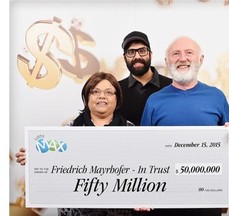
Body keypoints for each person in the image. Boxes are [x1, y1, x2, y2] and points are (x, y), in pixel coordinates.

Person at [15, 72, 153, 216]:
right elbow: (53, 164)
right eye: (95, 92)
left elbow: (142, 172)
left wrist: (143, 197)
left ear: (117, 99)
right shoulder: (68, 130)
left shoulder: (131, 132)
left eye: (108, 92)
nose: (102, 96)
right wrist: (35, 157)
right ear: (87, 97)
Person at [140, 36, 229, 216]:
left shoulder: (216, 96)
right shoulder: (154, 101)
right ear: (167, 61)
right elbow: (142, 150)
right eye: (175, 54)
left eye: (189, 53)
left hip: (206, 196)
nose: (182, 58)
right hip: (164, 196)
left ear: (200, 60)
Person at [119, 31, 172, 126]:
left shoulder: (170, 86)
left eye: (142, 51)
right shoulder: (116, 90)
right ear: (124, 58)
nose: (137, 56)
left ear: (150, 54)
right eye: (131, 52)